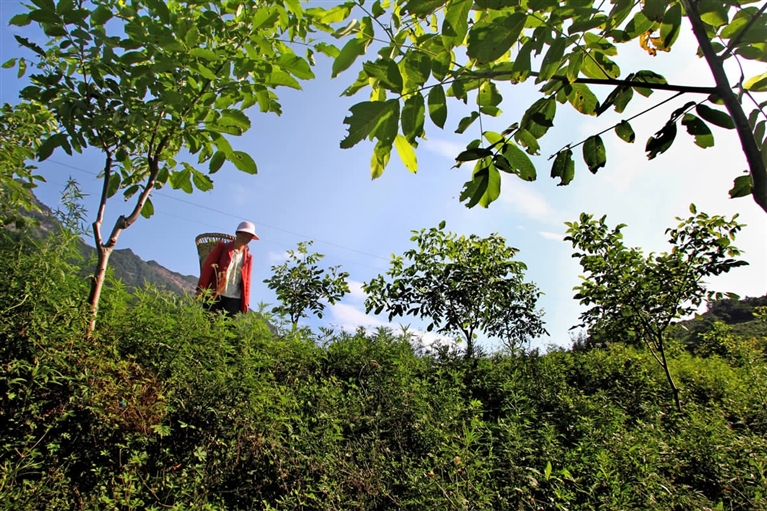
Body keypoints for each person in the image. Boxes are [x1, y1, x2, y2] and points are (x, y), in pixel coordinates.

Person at [197, 221, 259, 317]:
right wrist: (201, 289)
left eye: (251, 236)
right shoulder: (222, 247)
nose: (249, 238)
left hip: (234, 298)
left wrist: (246, 302)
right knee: (208, 322)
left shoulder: (248, 257)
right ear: (238, 233)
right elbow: (208, 268)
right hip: (216, 294)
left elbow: (247, 281)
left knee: (229, 328)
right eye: (247, 234)